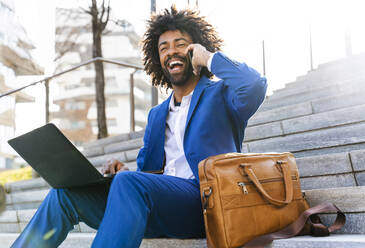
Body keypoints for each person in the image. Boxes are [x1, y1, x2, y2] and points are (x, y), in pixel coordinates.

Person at [11, 5, 267, 248]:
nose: (171, 51)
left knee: (129, 183)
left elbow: (254, 85)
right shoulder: (157, 115)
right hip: (162, 206)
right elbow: (147, 175)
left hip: (206, 204)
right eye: (163, 47)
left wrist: (210, 58)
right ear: (158, 59)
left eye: (180, 44)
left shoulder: (221, 95)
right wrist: (124, 172)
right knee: (64, 196)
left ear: (196, 48)